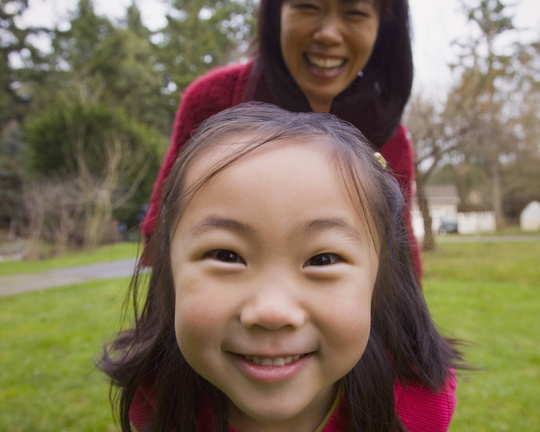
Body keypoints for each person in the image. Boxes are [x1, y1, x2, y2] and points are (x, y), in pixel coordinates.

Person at [101, 103, 462, 432]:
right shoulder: (161, 399)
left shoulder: (415, 413)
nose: (272, 311)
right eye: (226, 255)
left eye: (322, 259)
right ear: (169, 272)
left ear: (380, 280)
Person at [141, 0, 420, 272]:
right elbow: (161, 234)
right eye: (308, 7)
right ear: (276, 14)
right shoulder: (214, 100)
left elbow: (401, 264)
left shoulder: (389, 133)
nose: (328, 34)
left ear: (383, 28)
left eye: (355, 13)